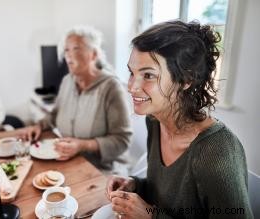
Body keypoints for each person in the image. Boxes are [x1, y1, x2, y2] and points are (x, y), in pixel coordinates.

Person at [106, 20, 253, 218]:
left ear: (185, 80)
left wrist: (151, 215)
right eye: (132, 73)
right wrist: (134, 185)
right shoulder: (154, 121)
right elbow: (164, 195)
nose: (132, 86)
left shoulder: (218, 152)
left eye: (148, 75)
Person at [24, 26, 132, 171]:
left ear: (93, 54)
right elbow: (55, 114)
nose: (68, 55)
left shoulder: (111, 88)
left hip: (101, 170)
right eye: (66, 49)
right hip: (68, 161)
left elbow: (122, 140)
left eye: (75, 48)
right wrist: (39, 126)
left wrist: (82, 145)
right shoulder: (67, 81)